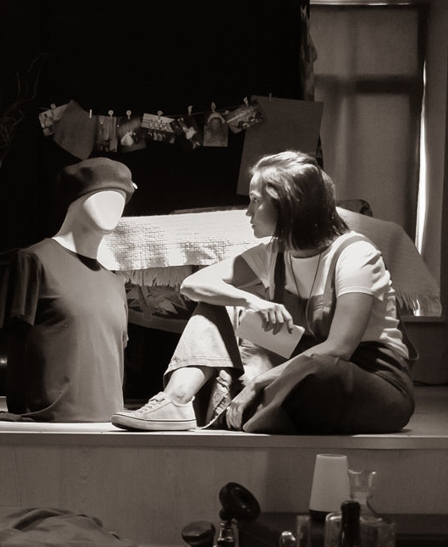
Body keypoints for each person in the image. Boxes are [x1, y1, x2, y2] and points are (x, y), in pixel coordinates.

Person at [112, 150, 415, 435]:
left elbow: (339, 349)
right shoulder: (273, 253)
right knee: (217, 305)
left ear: (287, 204)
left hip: (364, 377)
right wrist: (251, 300)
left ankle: (250, 406)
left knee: (319, 374)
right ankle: (176, 401)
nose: (248, 212)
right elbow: (194, 285)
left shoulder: (355, 254)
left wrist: (258, 383)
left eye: (255, 201)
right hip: (297, 365)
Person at [1, 157, 136, 422]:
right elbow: (14, 344)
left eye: (120, 200)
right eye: (102, 197)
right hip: (48, 429)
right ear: (75, 201)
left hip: (110, 430)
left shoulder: (115, 283)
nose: (113, 208)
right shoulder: (34, 261)